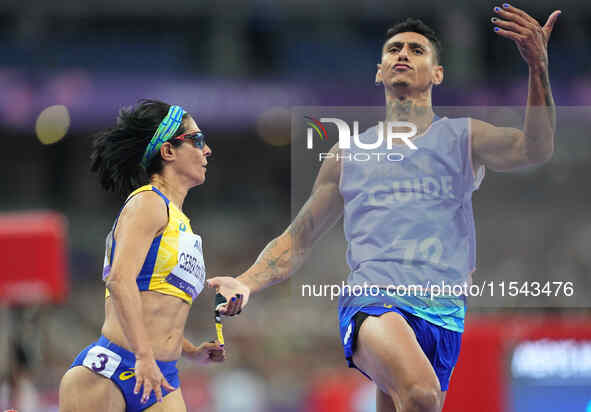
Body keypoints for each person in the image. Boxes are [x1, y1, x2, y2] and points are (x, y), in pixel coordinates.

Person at [209, 6, 560, 412]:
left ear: (437, 73)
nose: (403, 54)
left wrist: (538, 68)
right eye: (394, 49)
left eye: (416, 49)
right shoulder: (348, 154)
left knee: (404, 403)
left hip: (444, 315)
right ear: (379, 71)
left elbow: (536, 148)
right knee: (421, 395)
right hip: (374, 299)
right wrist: (247, 281)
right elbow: (300, 236)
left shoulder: (464, 137)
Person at [59, 99, 229, 412]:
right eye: (198, 140)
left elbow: (156, 304)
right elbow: (120, 280)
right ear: (168, 151)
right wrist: (143, 355)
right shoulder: (148, 204)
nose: (208, 151)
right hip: (112, 370)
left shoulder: (182, 223)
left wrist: (191, 352)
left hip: (161, 374)